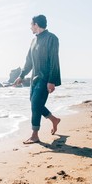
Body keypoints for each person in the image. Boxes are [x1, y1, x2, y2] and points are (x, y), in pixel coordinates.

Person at [14, 14, 61, 144]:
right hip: (34, 79)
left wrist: (51, 81)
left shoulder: (52, 38)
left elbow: (54, 60)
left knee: (35, 104)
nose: (30, 28)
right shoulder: (34, 41)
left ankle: (35, 135)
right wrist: (22, 76)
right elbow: (29, 61)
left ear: (36, 24)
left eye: (31, 24)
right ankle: (54, 119)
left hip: (45, 78)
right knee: (35, 103)